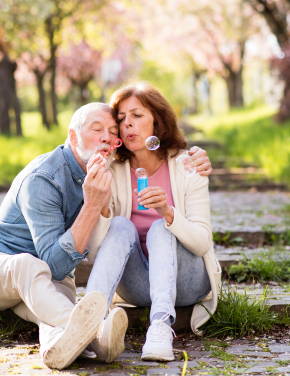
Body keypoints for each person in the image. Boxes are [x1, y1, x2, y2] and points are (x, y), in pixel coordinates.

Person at [0, 102, 212, 369]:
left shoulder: (102, 172)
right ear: (73, 136)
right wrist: (93, 205)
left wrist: (197, 157)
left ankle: (75, 349)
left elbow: (63, 269)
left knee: (52, 315)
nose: (106, 137)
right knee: (29, 265)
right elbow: (54, 263)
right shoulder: (43, 178)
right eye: (97, 129)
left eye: (111, 131)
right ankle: (97, 331)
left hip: (48, 278)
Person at [85, 82, 222, 362]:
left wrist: (169, 213)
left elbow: (202, 242)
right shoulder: (112, 170)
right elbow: (96, 250)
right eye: (121, 119)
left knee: (162, 226)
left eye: (137, 115)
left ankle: (160, 326)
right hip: (138, 283)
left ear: (157, 122)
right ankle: (89, 323)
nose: (128, 125)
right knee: (120, 226)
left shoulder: (189, 167)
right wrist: (100, 204)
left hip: (187, 281)